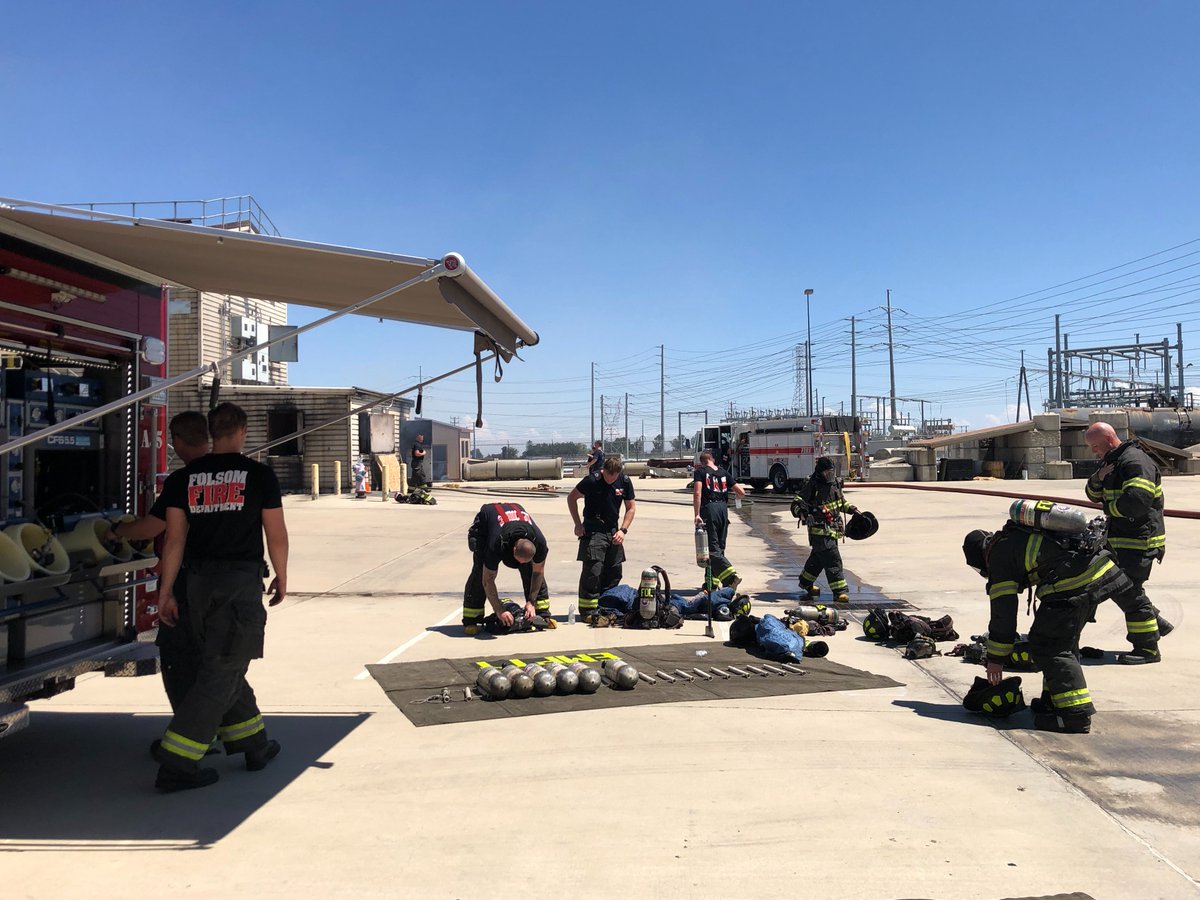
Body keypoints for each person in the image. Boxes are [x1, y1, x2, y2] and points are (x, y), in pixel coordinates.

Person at [153, 402, 288, 792]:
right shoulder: (259, 476)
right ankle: (176, 763)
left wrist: (166, 592)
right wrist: (281, 575)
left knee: (224, 663)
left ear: (211, 433)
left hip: (197, 587)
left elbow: (174, 541)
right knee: (221, 671)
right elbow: (275, 534)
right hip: (238, 584)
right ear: (243, 430)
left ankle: (253, 743)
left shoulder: (183, 479)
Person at [962, 519, 1159, 733]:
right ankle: (1054, 701)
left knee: (1050, 645)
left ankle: (1074, 716)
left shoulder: (998, 556)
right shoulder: (1014, 536)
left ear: (980, 555)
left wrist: (996, 659)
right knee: (1061, 641)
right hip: (1098, 569)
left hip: (1074, 582)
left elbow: (1004, 614)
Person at [109, 411, 210, 716]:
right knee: (218, 667)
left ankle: (188, 738)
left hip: (189, 584)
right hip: (226, 584)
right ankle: (236, 738)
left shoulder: (182, 481)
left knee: (179, 661)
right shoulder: (239, 474)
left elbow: (152, 530)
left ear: (176, 440)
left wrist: (116, 531)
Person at [1083, 422, 1171, 650]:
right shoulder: (1111, 461)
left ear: (1109, 439)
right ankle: (1156, 622)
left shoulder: (1135, 461)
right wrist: (1098, 478)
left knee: (1129, 592)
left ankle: (1147, 647)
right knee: (1122, 589)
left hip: (1140, 541)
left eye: (1095, 446)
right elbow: (1092, 494)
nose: (1093, 451)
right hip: (1122, 539)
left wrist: (1107, 508)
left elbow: (1136, 502)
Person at [462, 501, 552, 634]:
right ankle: (472, 619)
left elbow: (538, 572)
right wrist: (499, 610)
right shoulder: (496, 543)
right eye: (519, 560)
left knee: (530, 570)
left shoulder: (540, 543)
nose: (520, 564)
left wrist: (531, 602)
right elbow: (488, 580)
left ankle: (541, 614)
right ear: (513, 549)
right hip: (486, 526)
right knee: (480, 570)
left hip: (515, 517)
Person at [568, 456, 636, 621]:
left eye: (613, 477)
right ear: (603, 470)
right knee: (593, 571)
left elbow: (631, 508)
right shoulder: (592, 480)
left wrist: (623, 530)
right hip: (593, 530)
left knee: (614, 571)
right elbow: (571, 498)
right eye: (607, 476)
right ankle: (588, 612)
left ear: (619, 473)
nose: (610, 480)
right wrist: (578, 524)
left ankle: (606, 605)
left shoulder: (624, 481)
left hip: (614, 531)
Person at [794, 456, 855, 603]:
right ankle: (839, 591)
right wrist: (802, 513)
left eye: (832, 472)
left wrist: (853, 509)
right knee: (833, 560)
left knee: (817, 560)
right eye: (827, 473)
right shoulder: (812, 484)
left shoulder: (834, 484)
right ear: (820, 472)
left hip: (833, 530)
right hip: (819, 531)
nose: (830, 476)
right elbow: (797, 502)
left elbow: (840, 503)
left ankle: (806, 582)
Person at [693, 449, 746, 591]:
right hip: (723, 510)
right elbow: (741, 492)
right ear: (713, 460)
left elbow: (697, 492)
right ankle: (711, 583)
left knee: (710, 548)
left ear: (702, 462)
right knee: (719, 548)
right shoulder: (723, 472)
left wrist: (697, 514)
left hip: (709, 509)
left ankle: (730, 577)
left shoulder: (700, 472)